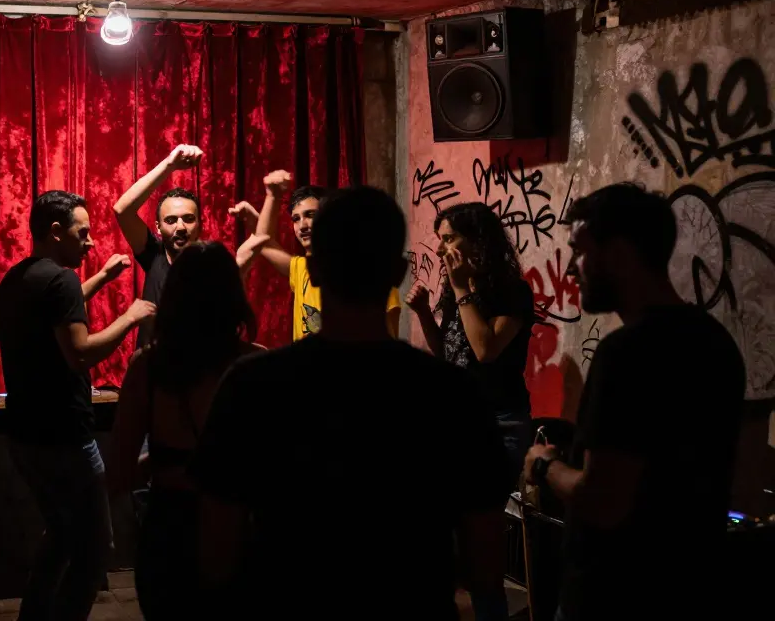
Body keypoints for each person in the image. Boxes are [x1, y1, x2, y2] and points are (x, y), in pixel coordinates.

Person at [191, 186, 508, 618]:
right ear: (397, 272)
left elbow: (216, 553)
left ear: (314, 271)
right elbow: (486, 566)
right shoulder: (454, 394)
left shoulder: (251, 385)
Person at [524, 183, 745, 621]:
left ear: (620, 252)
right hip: (691, 587)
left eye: (580, 251)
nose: (570, 269)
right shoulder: (716, 342)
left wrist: (544, 463)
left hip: (616, 594)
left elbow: (603, 501)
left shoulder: (627, 353)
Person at [0, 191, 153, 621]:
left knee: (62, 535)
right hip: (65, 439)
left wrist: (100, 277)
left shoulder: (19, 278)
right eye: (83, 232)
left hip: (25, 436)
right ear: (55, 231)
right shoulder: (59, 280)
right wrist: (130, 317)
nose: (90, 242)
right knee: (94, 549)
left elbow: (57, 310)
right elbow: (80, 352)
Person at [109, 242, 262, 619]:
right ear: (233, 295)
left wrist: (160, 458)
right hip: (241, 526)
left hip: (171, 525)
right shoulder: (258, 363)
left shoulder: (148, 367)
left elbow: (118, 473)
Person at [405, 201, 535, 621]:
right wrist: (426, 313)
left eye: (449, 239)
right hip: (457, 426)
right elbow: (453, 355)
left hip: (498, 425)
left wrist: (462, 289)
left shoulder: (511, 291)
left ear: (477, 240)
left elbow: (486, 349)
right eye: (440, 240)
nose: (441, 250)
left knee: (482, 546)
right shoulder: (456, 286)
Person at [230, 169, 403, 339]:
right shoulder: (301, 269)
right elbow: (264, 242)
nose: (302, 225)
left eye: (310, 215)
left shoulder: (374, 279)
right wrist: (272, 198)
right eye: (296, 219)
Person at [113, 144, 204, 348]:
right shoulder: (155, 253)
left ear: (200, 223)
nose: (180, 227)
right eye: (171, 220)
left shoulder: (212, 265)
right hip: (151, 371)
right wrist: (169, 165)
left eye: (188, 219)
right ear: (158, 227)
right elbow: (122, 210)